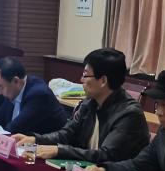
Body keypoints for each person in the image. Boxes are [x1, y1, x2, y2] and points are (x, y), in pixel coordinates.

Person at [13, 49, 149, 164]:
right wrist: (36, 139)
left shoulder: (129, 114)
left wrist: (59, 150)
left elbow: (106, 155)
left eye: (85, 75)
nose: (81, 80)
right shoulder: (89, 103)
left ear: (103, 81)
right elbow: (67, 134)